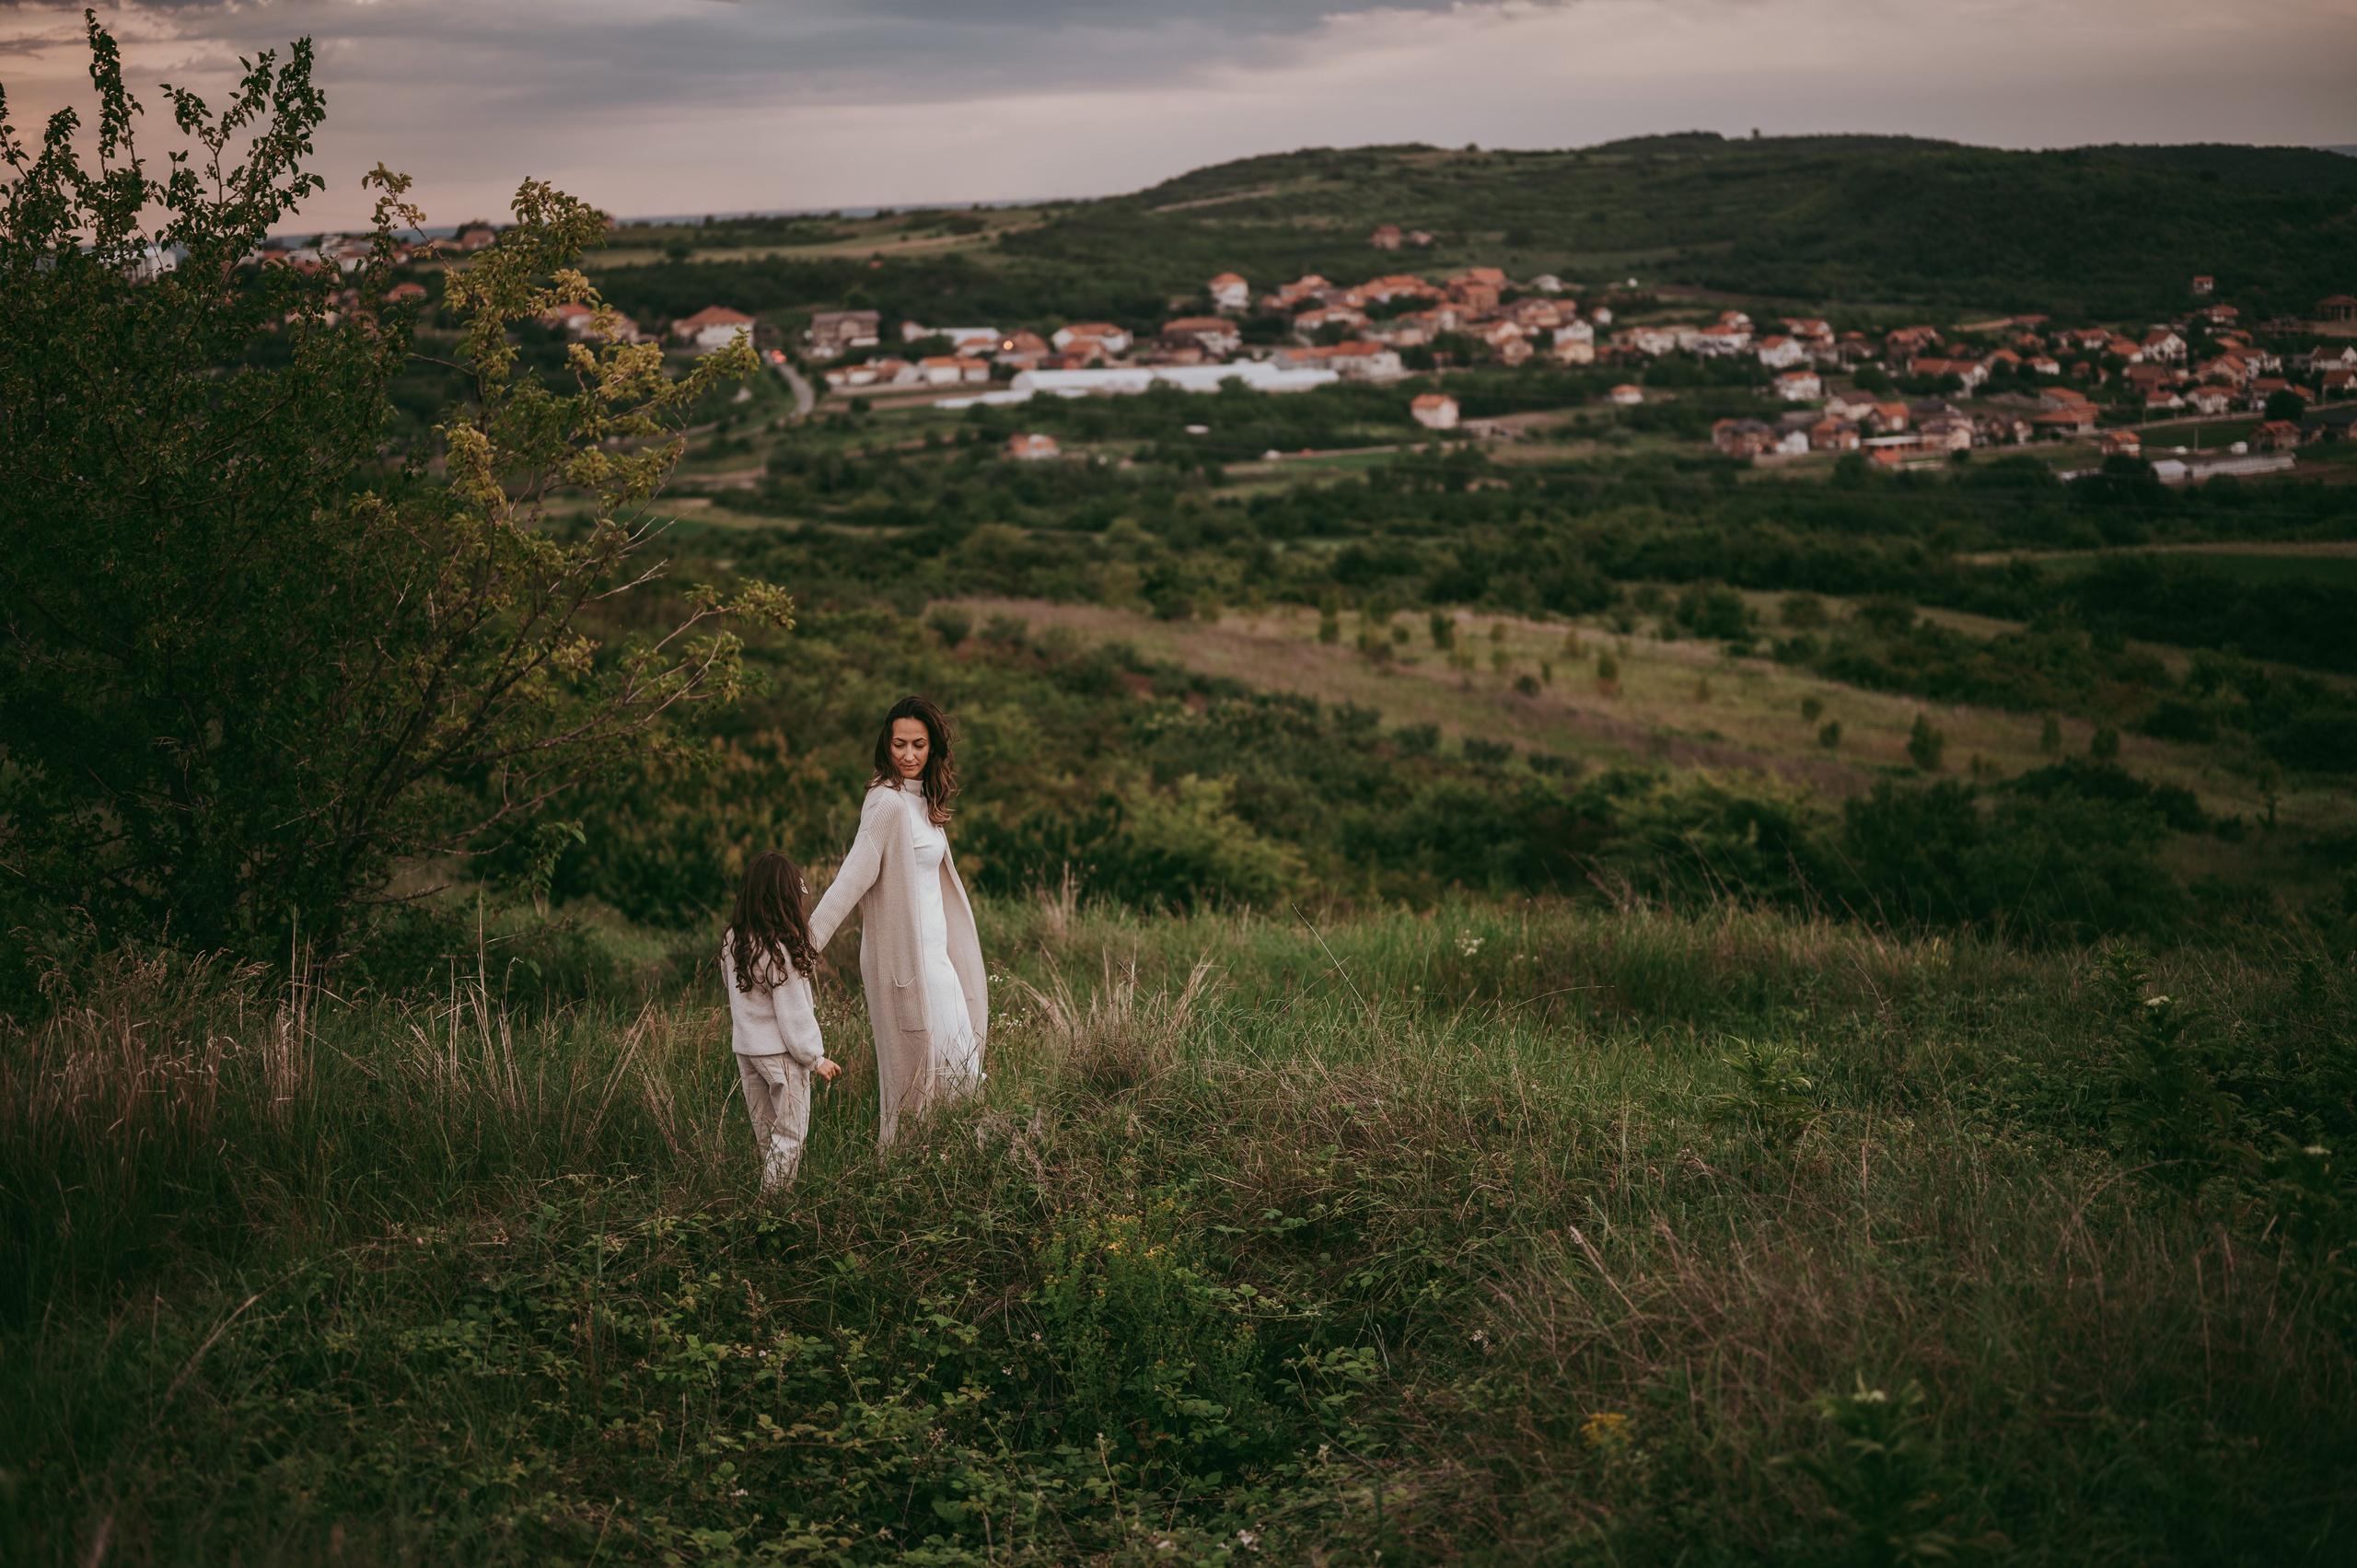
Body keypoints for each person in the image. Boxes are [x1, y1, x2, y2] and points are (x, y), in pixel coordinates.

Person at [808, 694, 989, 1147]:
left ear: (934, 749)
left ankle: (952, 1169)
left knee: (962, 1069)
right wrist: (805, 944)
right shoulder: (885, 803)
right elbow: (852, 878)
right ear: (886, 747)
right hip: (904, 965)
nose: (908, 755)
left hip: (938, 961)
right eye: (899, 744)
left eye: (919, 745)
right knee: (912, 1085)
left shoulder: (926, 802)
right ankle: (897, 1179)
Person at [722, 851, 841, 1193]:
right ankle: (772, 1211)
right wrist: (814, 1058)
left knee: (768, 1137)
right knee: (789, 1136)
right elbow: (793, 1012)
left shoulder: (734, 940)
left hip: (748, 1053)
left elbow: (736, 995)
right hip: (782, 1057)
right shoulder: (780, 950)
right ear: (785, 897)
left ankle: (769, 1198)